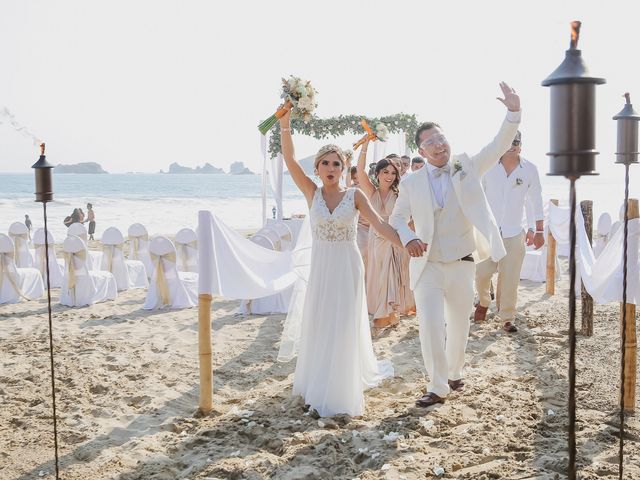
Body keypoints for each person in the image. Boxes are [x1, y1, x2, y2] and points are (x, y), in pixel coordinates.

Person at [389, 82, 521, 407]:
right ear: (421, 151)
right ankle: (437, 386)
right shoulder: (410, 183)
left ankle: (455, 372)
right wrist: (409, 238)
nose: (438, 145)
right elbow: (396, 219)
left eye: (441, 138)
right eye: (430, 142)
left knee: (459, 327)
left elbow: (498, 145)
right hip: (428, 266)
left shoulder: (467, 166)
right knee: (431, 328)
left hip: (463, 262)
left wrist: (513, 113)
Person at [278, 103, 397, 417]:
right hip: (321, 270)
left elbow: (381, 225)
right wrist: (285, 124)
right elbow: (288, 158)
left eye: (336, 164)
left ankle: (340, 389)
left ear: (344, 169)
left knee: (342, 324)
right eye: (325, 163)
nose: (331, 168)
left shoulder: (355, 196)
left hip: (346, 268)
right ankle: (317, 383)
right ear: (317, 168)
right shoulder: (311, 192)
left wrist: (407, 242)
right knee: (320, 323)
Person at [474, 130, 544, 333]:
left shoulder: (529, 169)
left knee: (510, 278)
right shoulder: (487, 167)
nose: (513, 145)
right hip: (488, 232)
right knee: (481, 273)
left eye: (516, 141)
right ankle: (484, 300)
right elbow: (477, 198)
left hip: (515, 233)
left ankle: (506, 317)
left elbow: (535, 201)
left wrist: (536, 229)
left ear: (521, 144)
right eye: (509, 141)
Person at [357, 142, 415, 335]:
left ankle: (384, 316)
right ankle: (387, 315)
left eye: (392, 173)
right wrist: (364, 147)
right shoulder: (371, 192)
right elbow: (359, 170)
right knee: (378, 276)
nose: (389, 176)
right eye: (385, 172)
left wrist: (407, 236)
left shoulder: (400, 194)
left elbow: (412, 218)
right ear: (378, 174)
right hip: (376, 239)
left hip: (394, 240)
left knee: (391, 277)